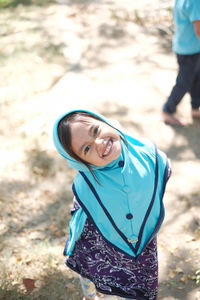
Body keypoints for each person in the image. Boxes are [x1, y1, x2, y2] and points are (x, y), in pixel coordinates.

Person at [53, 109, 171, 300]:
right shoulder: (86, 185)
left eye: (96, 130)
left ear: (106, 121)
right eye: (87, 149)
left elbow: (159, 171)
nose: (100, 143)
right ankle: (90, 296)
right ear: (81, 162)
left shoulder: (147, 156)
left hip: (141, 242)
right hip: (96, 239)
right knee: (90, 272)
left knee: (134, 284)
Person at [162, 0, 200, 126]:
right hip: (190, 50)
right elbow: (198, 30)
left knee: (196, 79)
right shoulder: (195, 2)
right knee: (184, 82)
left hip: (184, 46)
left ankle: (195, 108)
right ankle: (167, 111)